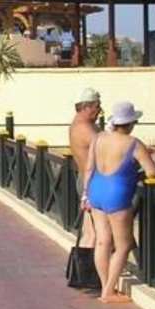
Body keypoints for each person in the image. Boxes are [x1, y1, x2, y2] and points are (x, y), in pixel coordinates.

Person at [83, 100, 155, 304]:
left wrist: (85, 195)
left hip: (96, 191)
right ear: (131, 123)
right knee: (123, 246)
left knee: (102, 241)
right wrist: (136, 174)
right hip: (117, 195)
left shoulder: (98, 138)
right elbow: (152, 171)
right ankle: (108, 292)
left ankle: (105, 285)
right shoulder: (134, 144)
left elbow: (89, 168)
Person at [68, 88, 101, 246]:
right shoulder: (85, 128)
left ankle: (85, 260)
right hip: (92, 182)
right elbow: (106, 149)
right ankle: (90, 261)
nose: (100, 111)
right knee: (95, 234)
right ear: (86, 107)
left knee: (89, 232)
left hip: (87, 180)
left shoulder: (81, 125)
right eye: (97, 106)